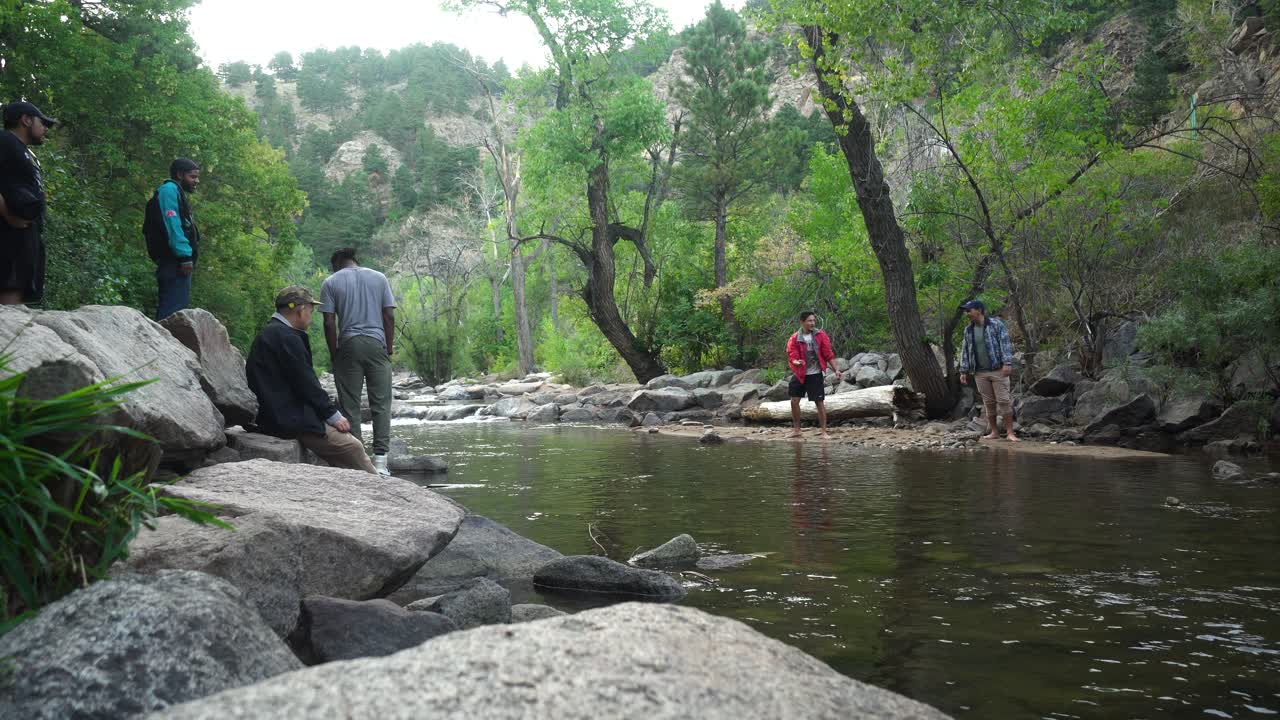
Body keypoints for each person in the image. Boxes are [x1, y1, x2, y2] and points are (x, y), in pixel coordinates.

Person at [245, 285, 378, 474]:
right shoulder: (286, 337)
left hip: (273, 414)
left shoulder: (272, 332)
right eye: (310, 309)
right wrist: (332, 414)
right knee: (352, 446)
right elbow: (305, 382)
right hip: (286, 419)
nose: (311, 314)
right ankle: (378, 489)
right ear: (300, 310)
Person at [320, 247, 396, 475]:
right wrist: (389, 348)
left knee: (350, 405)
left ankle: (360, 464)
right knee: (381, 404)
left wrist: (334, 353)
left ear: (336, 265)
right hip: (376, 344)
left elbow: (329, 323)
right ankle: (381, 464)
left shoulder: (331, 282)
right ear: (355, 261)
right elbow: (389, 316)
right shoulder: (379, 278)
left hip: (349, 345)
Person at [0, 101, 55, 305]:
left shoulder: (22, 150)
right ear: (26, 120)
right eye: (43, 123)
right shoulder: (5, 140)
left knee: (19, 298)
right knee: (9, 303)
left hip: (25, 239)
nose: (46, 129)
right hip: (8, 238)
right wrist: (7, 213)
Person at [144, 158, 201, 320]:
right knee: (172, 313)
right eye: (193, 177)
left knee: (176, 310)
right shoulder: (169, 190)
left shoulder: (176, 192)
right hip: (174, 262)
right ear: (180, 174)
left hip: (176, 263)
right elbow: (172, 224)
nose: (196, 181)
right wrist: (184, 255)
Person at [958, 299, 1019, 442]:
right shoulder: (968, 330)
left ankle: (1010, 433)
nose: (966, 313)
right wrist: (963, 371)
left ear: (978, 310)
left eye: (969, 310)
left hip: (998, 369)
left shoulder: (996, 325)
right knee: (988, 403)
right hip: (980, 372)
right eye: (966, 311)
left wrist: (1007, 363)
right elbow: (965, 351)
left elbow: (1005, 344)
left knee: (1004, 401)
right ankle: (994, 432)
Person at [786, 310, 841, 438]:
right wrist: (796, 362)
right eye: (809, 320)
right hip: (800, 373)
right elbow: (791, 354)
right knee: (794, 401)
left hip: (815, 374)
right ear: (802, 322)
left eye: (813, 320)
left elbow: (828, 354)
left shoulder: (820, 335)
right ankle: (797, 430)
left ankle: (823, 431)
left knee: (819, 402)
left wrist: (836, 370)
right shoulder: (794, 338)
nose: (812, 323)